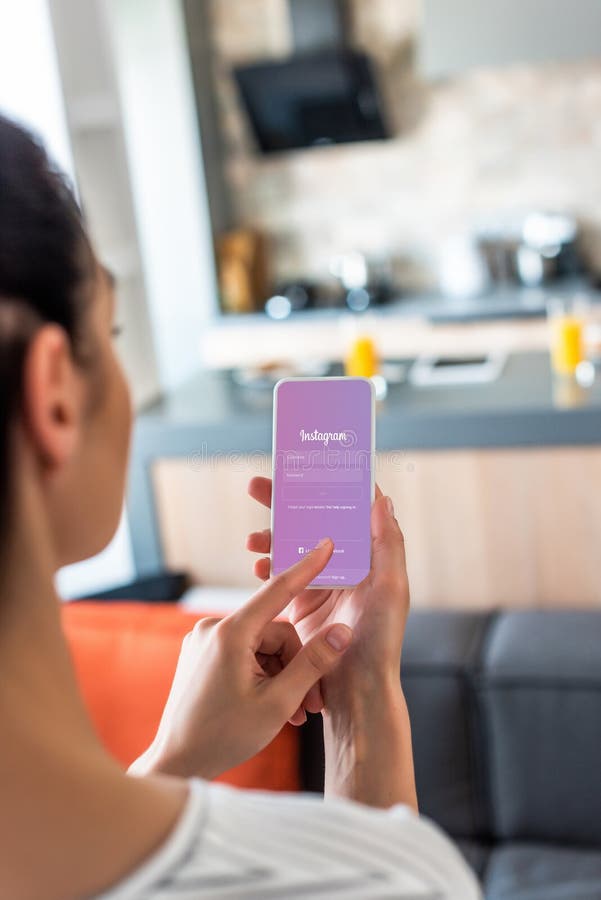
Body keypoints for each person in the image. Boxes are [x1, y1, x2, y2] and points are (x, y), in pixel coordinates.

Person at [0, 113, 480, 900]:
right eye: (112, 331)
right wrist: (361, 700)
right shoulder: (384, 880)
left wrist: (168, 763)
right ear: (53, 397)